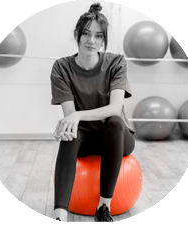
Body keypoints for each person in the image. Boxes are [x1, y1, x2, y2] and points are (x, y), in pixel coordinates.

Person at [50, 2, 135, 222]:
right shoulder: (61, 67)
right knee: (70, 133)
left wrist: (77, 115)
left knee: (115, 122)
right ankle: (59, 215)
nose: (91, 41)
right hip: (85, 139)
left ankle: (103, 207)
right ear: (77, 34)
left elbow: (115, 108)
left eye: (98, 36)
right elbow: (70, 114)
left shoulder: (116, 62)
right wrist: (71, 120)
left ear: (104, 39)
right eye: (87, 34)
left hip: (116, 137)